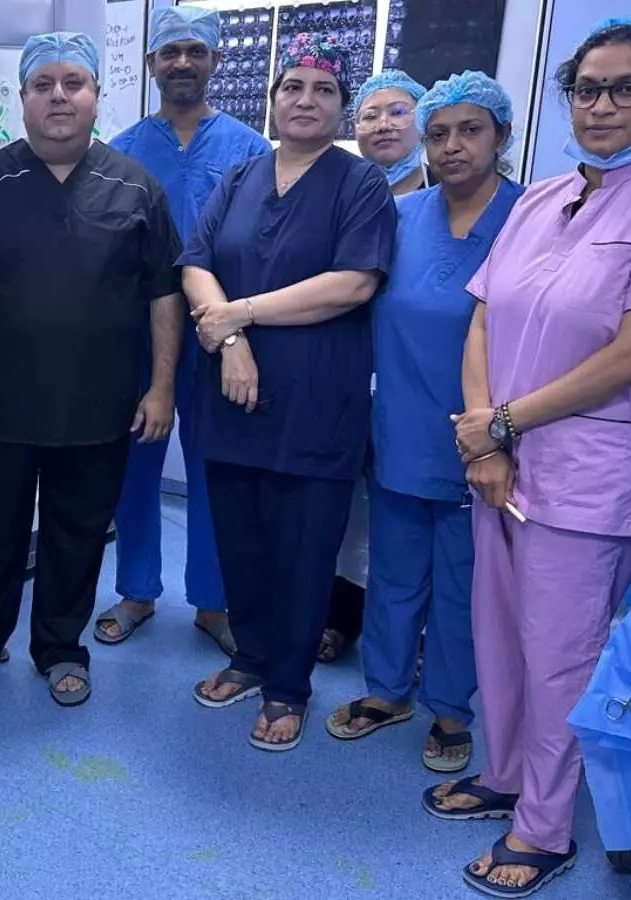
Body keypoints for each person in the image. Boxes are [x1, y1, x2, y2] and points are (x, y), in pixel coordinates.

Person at [423, 19, 631, 896]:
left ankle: (545, 827)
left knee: (561, 652)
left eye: (626, 88)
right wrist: (486, 432)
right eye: (587, 88)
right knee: (497, 634)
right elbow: (485, 315)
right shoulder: (541, 199)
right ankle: (505, 773)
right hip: (499, 458)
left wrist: (503, 424)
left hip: (589, 470)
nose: (602, 105)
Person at [0, 32, 182, 707]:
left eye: (74, 83)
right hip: (3, 403)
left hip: (100, 404)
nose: (59, 96)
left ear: (97, 95)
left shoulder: (137, 187)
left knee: (77, 536)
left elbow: (164, 293)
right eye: (43, 84)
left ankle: (60, 648)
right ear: (22, 98)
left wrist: (162, 387)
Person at [183, 33, 395, 752]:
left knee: (304, 551)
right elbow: (196, 263)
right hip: (232, 397)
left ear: (342, 106)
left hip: (316, 404)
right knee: (240, 539)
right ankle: (250, 658)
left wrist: (238, 314)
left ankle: (288, 686)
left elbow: (352, 284)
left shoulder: (360, 185)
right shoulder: (239, 178)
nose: (306, 100)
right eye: (293, 87)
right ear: (273, 100)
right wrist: (231, 341)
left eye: (324, 89)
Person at [325, 72, 523, 777]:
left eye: (470, 130)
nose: (452, 146)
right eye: (438, 134)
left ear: (501, 135)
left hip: (488, 433)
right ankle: (386, 692)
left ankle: (449, 709)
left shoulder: (531, 219)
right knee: (393, 569)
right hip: (401, 424)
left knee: (465, 582)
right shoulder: (401, 216)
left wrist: (501, 433)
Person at [91, 4, 268, 656]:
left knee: (216, 469)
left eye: (196, 50)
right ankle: (136, 591)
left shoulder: (250, 151)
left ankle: (214, 602)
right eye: (171, 52)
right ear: (151, 64)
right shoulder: (120, 151)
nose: (183, 62)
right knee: (135, 465)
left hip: (221, 334)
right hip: (138, 336)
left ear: (216, 60)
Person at [319, 67, 429, 666]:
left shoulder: (451, 201)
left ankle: (415, 635)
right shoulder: (340, 195)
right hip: (345, 373)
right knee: (348, 513)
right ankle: (342, 616)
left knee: (412, 513)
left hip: (420, 382)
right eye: (369, 115)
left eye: (398, 112)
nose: (383, 124)